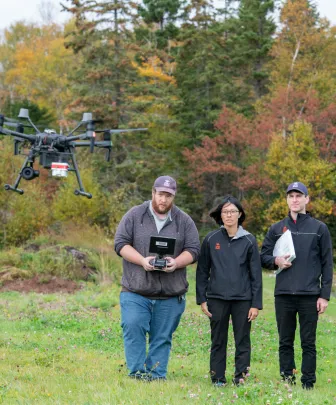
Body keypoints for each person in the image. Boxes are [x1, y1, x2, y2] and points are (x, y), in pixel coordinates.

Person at [114, 175, 200, 381]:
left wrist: (176, 263)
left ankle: (156, 375)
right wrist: (142, 261)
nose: (164, 200)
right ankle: (136, 373)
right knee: (133, 327)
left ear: (173, 197)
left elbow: (194, 250)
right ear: (153, 193)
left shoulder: (184, 220)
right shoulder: (135, 215)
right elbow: (120, 244)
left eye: (168, 196)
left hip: (170, 293)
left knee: (161, 337)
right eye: (160, 194)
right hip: (136, 289)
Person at [260, 182, 333, 390]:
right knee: (285, 341)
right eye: (291, 196)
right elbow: (262, 257)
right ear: (287, 200)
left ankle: (308, 382)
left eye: (299, 196)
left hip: (310, 295)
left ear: (306, 199)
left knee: (308, 342)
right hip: (283, 294)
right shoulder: (276, 228)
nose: (295, 200)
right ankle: (287, 380)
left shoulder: (319, 228)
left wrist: (324, 295)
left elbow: (328, 264)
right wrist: (276, 261)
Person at [196, 195, 262, 387]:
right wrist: (202, 298)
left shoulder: (249, 240)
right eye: (225, 211)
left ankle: (241, 377)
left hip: (243, 299)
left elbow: (256, 275)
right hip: (217, 298)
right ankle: (217, 378)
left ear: (240, 214)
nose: (229, 215)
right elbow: (202, 271)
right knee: (218, 340)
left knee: (242, 340)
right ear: (220, 215)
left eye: (233, 211)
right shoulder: (211, 239)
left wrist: (255, 304)